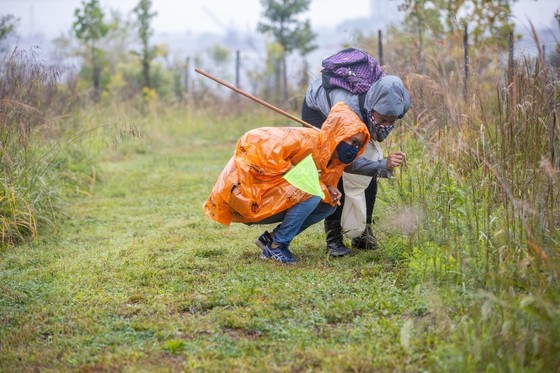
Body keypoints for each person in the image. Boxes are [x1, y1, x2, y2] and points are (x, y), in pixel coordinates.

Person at [204, 102, 370, 264]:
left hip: (273, 198)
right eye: (352, 141)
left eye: (359, 145)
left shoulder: (335, 161)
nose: (354, 149)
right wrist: (298, 174)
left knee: (328, 205)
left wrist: (329, 188)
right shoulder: (306, 139)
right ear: (338, 135)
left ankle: (272, 240)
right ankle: (277, 246)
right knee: (313, 191)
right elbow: (255, 141)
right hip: (247, 195)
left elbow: (319, 181)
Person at [302, 74, 411, 257]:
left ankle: (362, 233)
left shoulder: (399, 103)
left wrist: (379, 164)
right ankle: (334, 238)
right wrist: (384, 164)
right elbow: (346, 163)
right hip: (318, 110)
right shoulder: (350, 113)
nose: (386, 125)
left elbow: (376, 139)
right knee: (335, 168)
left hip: (358, 115)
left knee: (371, 165)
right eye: (382, 120)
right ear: (372, 109)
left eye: (391, 121)